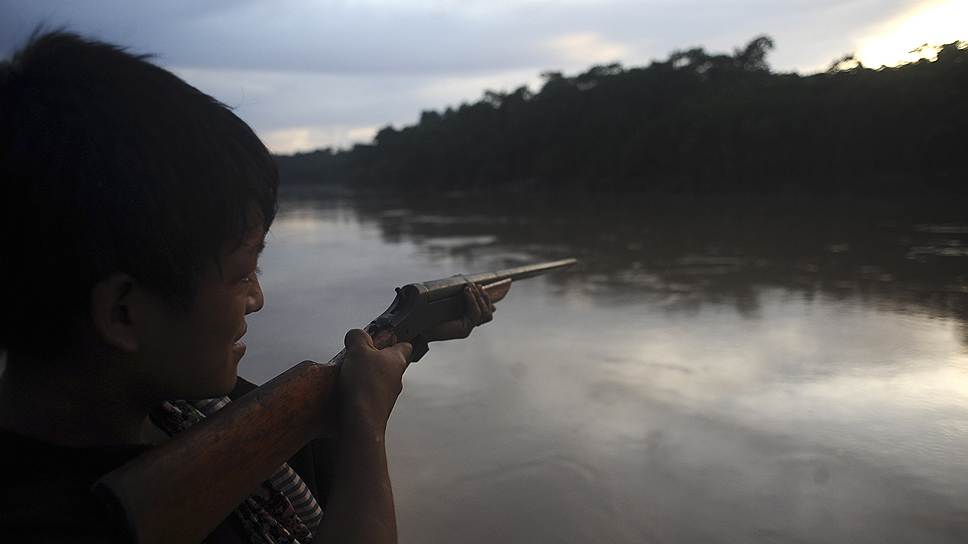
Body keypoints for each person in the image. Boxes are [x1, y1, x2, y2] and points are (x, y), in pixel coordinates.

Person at [0, 30, 498, 543]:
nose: (257, 298)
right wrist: (365, 427)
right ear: (123, 313)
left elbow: (309, 418)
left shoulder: (181, 408)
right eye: (243, 272)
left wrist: (412, 336)